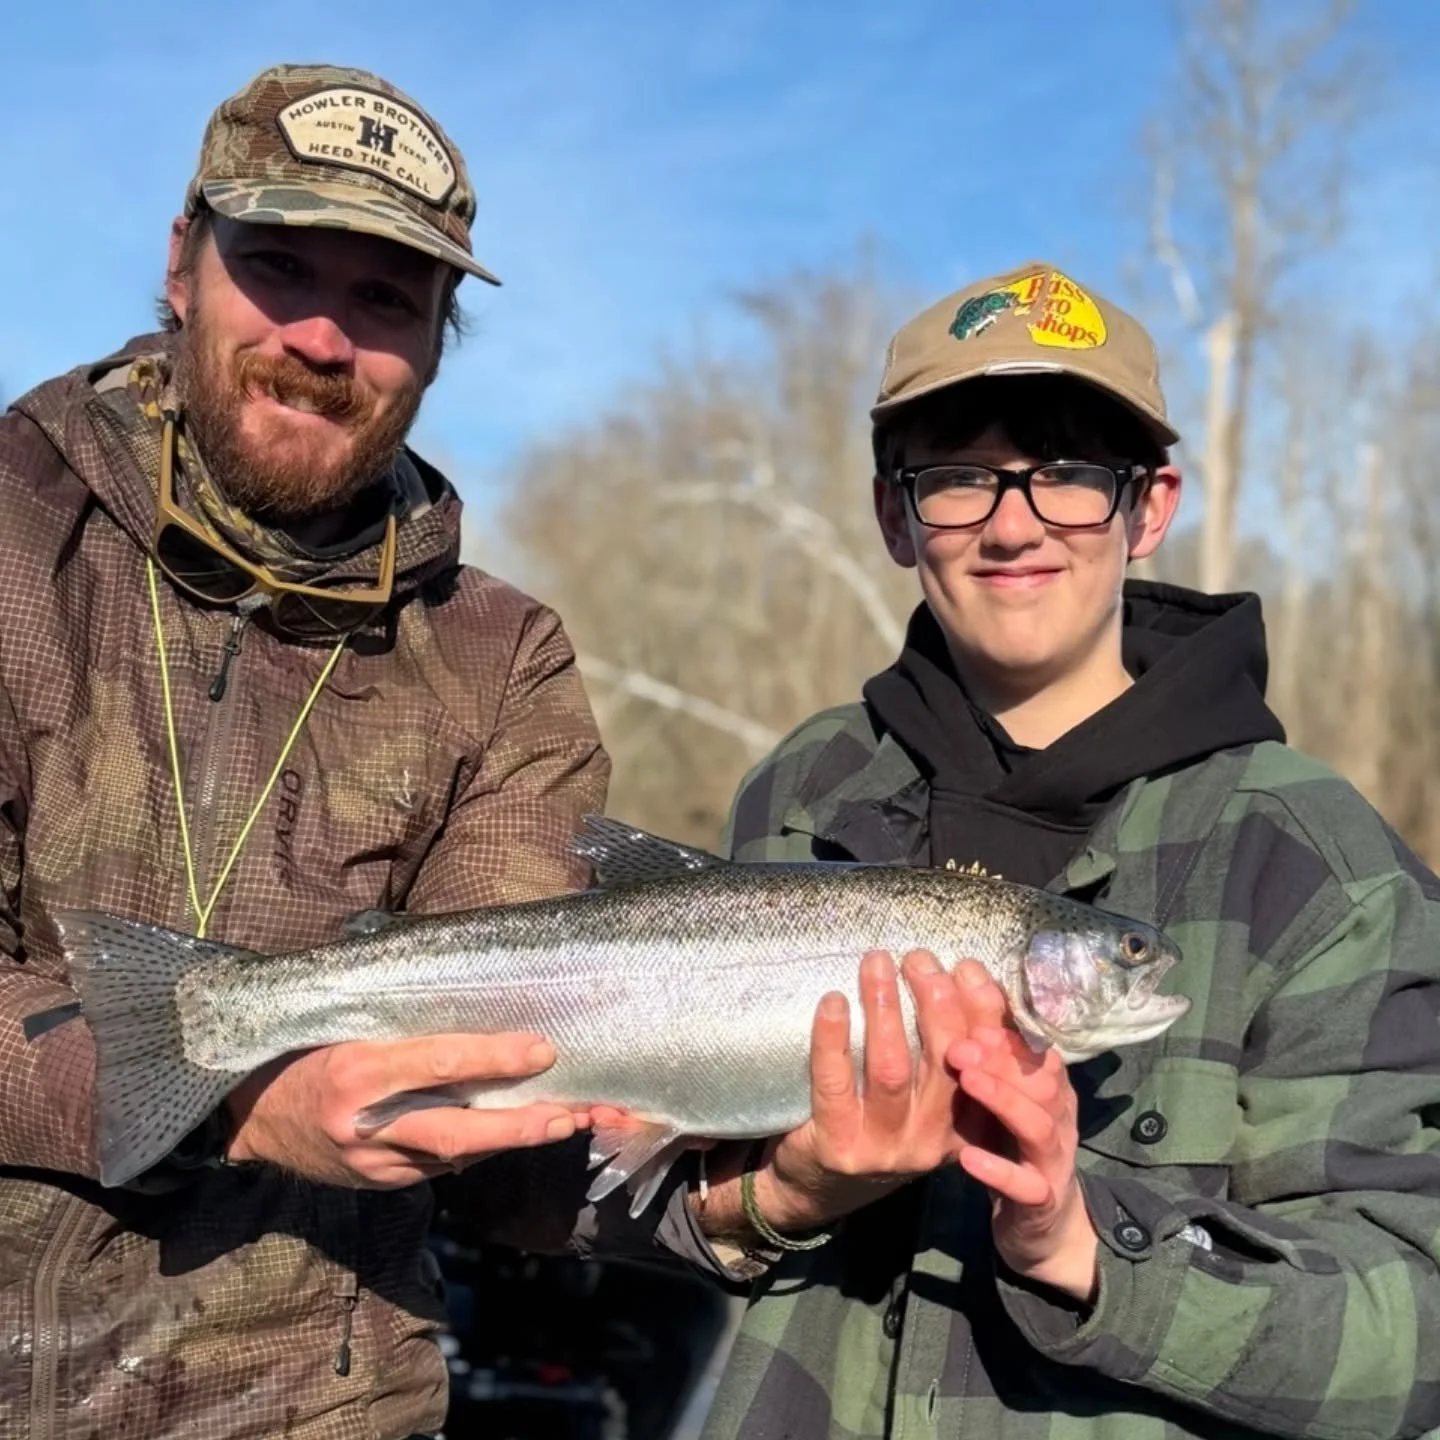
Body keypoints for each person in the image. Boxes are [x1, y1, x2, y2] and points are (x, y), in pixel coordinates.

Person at [0, 61, 987, 1439]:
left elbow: (520, 1143)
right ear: (183, 262)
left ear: (442, 334)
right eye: (281, 267)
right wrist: (243, 1103)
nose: (325, 339)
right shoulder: (12, 543)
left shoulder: (499, 658)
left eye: (389, 299)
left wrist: (775, 1195)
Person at [698, 262, 1440, 1440]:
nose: (1012, 524)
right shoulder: (803, 788)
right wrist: (779, 1196)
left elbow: (1413, 1335)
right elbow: (660, 1193)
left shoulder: (1313, 860)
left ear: (1150, 508)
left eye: (1070, 477)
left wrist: (1082, 1245)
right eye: (958, 480)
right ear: (897, 517)